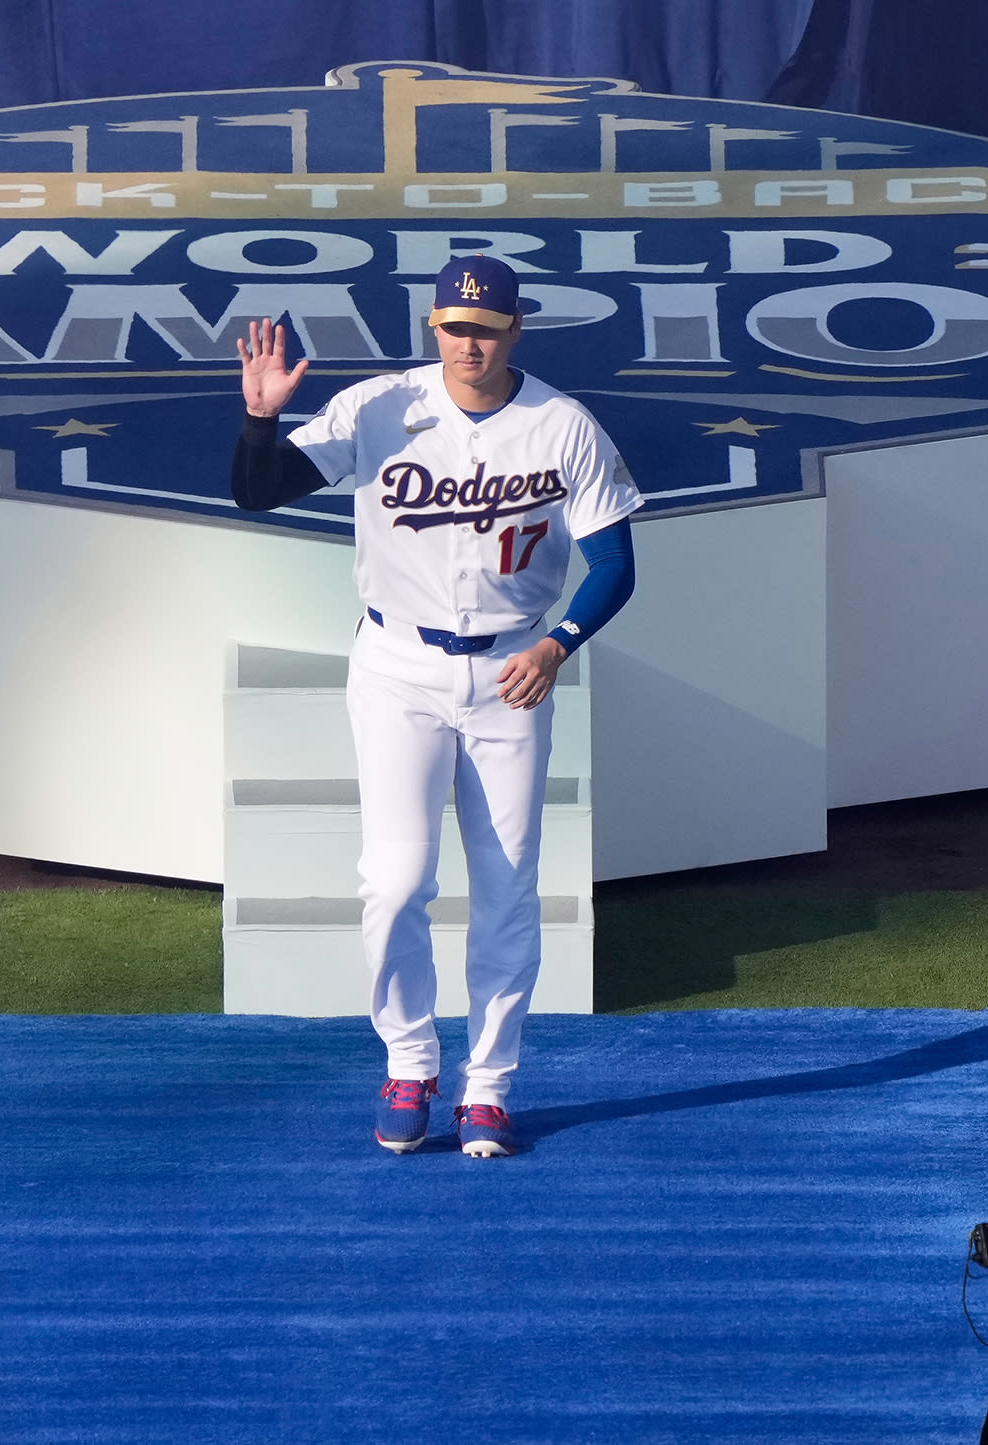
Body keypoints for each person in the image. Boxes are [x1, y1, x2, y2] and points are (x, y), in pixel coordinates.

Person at [228, 255, 642, 1158]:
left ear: (514, 330)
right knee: (396, 879)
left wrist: (557, 642)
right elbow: (256, 491)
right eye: (455, 327)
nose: (469, 343)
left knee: (506, 889)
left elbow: (615, 563)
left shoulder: (562, 425)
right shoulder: (382, 407)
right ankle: (410, 1062)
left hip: (510, 671)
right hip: (396, 667)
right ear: (434, 328)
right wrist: (261, 421)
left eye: (486, 328)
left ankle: (488, 1088)